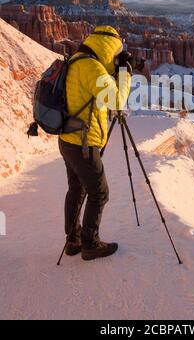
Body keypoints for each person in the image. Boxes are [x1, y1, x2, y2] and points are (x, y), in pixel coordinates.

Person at [59, 25, 132, 261]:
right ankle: (90, 244)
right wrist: (125, 74)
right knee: (99, 193)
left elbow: (98, 88)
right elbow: (116, 100)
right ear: (109, 48)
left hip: (68, 139)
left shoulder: (79, 59)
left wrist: (116, 70)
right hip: (83, 143)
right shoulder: (91, 67)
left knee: (77, 189)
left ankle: (73, 241)